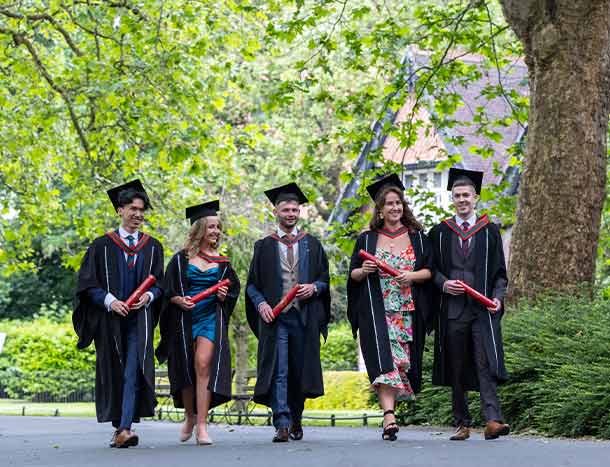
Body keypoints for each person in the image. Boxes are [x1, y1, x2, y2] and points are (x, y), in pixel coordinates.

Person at [73, 179, 164, 448]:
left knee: (133, 369)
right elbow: (88, 284)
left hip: (140, 319)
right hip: (110, 322)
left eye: (141, 209)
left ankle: (124, 428)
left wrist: (149, 296)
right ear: (120, 210)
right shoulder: (101, 246)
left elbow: (160, 284)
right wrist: (110, 301)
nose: (138, 214)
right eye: (132, 208)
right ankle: (119, 428)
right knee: (116, 371)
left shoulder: (152, 246)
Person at [347, 174, 434, 441]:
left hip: (407, 310)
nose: (394, 208)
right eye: (389, 204)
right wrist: (364, 270)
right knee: (384, 361)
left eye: (398, 203)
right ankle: (389, 416)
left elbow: (430, 271)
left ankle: (390, 412)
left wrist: (411, 276)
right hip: (377, 309)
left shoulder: (418, 238)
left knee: (401, 363)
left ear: (403, 207)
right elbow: (352, 275)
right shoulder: (367, 239)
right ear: (381, 210)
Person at [245, 183, 331, 443]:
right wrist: (260, 304)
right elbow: (251, 285)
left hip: (304, 318)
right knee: (280, 369)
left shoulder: (312, 245)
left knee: (299, 370)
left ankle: (296, 417)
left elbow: (325, 279)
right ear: (276, 211)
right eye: (286, 209)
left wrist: (314, 288)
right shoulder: (264, 247)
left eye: (295, 209)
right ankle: (282, 422)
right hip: (277, 318)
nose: (291, 213)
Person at [428, 168, 509, 441]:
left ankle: (493, 420)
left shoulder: (490, 231)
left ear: (476, 197)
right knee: (457, 365)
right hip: (452, 311)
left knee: (484, 362)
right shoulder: (440, 232)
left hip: (481, 310)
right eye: (457, 195)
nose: (462, 200)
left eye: (466, 195)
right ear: (452, 199)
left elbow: (500, 273)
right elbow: (431, 269)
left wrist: (498, 297)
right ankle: (462, 423)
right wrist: (442, 284)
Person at [156, 200, 240, 445]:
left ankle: (202, 425)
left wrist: (225, 296)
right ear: (200, 229)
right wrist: (177, 300)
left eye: (218, 227)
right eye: (211, 227)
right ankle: (189, 417)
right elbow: (166, 289)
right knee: (186, 366)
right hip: (184, 318)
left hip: (209, 318)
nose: (216, 231)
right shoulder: (181, 260)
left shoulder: (223, 263)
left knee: (203, 364)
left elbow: (233, 290)